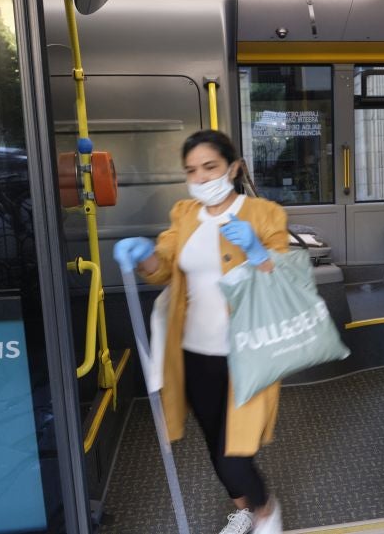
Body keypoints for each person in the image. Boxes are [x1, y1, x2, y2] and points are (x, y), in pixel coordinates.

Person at [114, 129, 287, 534]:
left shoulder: (265, 214)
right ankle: (244, 508)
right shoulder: (184, 215)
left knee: (235, 450)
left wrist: (259, 254)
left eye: (210, 167)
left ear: (234, 167)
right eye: (192, 171)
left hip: (247, 354)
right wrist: (146, 255)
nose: (202, 178)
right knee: (214, 444)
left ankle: (266, 512)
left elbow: (284, 280)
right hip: (193, 353)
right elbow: (163, 268)